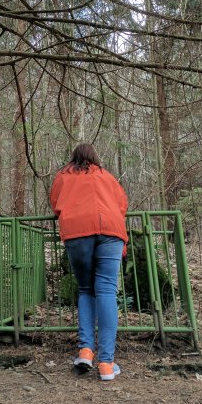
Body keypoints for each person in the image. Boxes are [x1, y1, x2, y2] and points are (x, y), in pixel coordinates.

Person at [50, 143, 128, 381]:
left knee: (86, 289)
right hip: (110, 231)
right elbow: (122, 204)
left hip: (77, 232)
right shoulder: (106, 176)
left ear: (74, 157)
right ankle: (106, 364)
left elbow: (55, 203)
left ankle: (85, 351)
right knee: (106, 291)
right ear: (94, 158)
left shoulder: (64, 175)